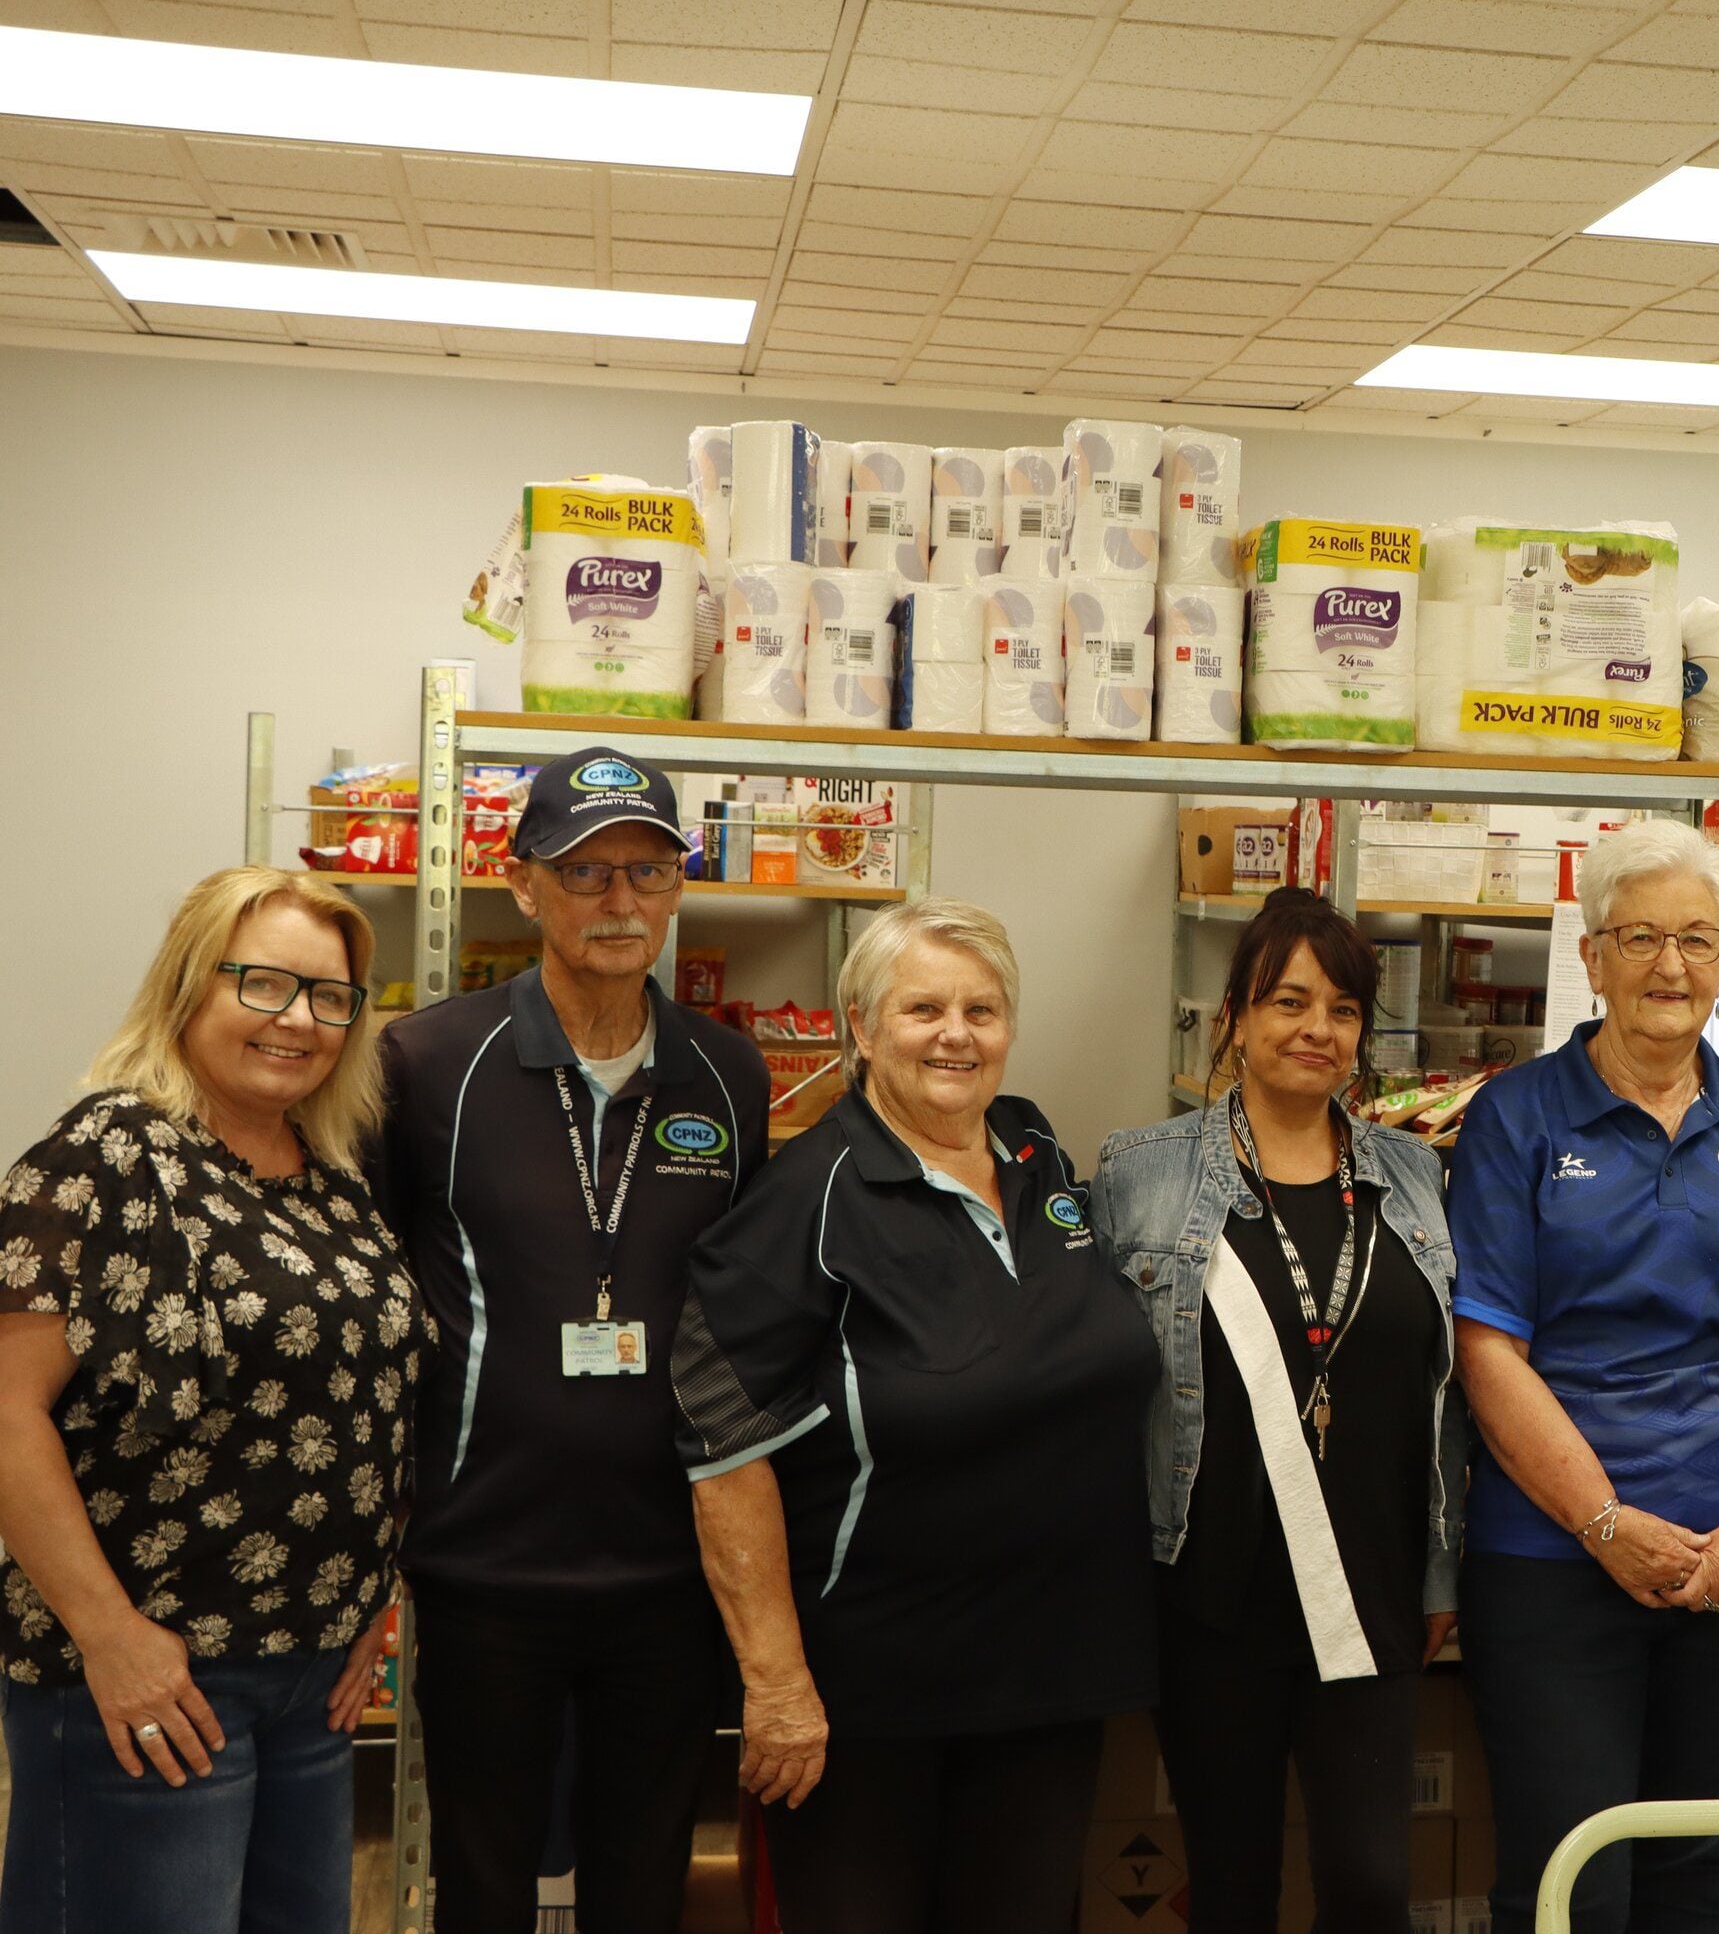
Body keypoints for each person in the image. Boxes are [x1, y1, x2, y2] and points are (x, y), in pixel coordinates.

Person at [672, 897, 1159, 1934]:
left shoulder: (1034, 1151)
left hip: (1049, 1678)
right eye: (923, 1008)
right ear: (860, 1026)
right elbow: (718, 1437)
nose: (956, 1035)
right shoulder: (809, 1195)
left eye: (982, 1010)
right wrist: (777, 1682)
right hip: (870, 1700)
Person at [373, 747, 770, 1934]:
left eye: (648, 870)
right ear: (522, 883)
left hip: (668, 1565)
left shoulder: (728, 1073)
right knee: (485, 1875)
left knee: (645, 1874)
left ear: (680, 885)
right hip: (485, 1561)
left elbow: (740, 1313)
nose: (620, 900)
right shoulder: (426, 1062)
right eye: (586, 870)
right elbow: (378, 1298)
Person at [0, 867, 420, 1934]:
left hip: (313, 1677)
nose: (299, 1020)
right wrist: (111, 1637)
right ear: (190, 985)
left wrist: (366, 1599)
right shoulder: (107, 1156)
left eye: (331, 997)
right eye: (264, 983)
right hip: (156, 1677)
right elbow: (6, 1411)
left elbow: (355, 1400)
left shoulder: (331, 1174)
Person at [1452, 818, 1719, 1934]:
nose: (1671, 966)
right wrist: (1604, 1522)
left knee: (1705, 1883)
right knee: (1571, 1882)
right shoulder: (1517, 1117)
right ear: (1592, 957)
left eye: (1698, 939)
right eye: (1640, 938)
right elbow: (1489, 1347)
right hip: (1556, 1564)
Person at [1097, 888, 1472, 1934]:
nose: (1318, 1029)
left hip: (1372, 1590)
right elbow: (1102, 1387)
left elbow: (1446, 1396)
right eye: (1289, 1001)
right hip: (1210, 1595)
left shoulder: (1416, 1174)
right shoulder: (1141, 1172)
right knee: (1231, 1885)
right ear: (1235, 1016)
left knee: (1370, 1886)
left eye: (1343, 1009)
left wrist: (1441, 1567)